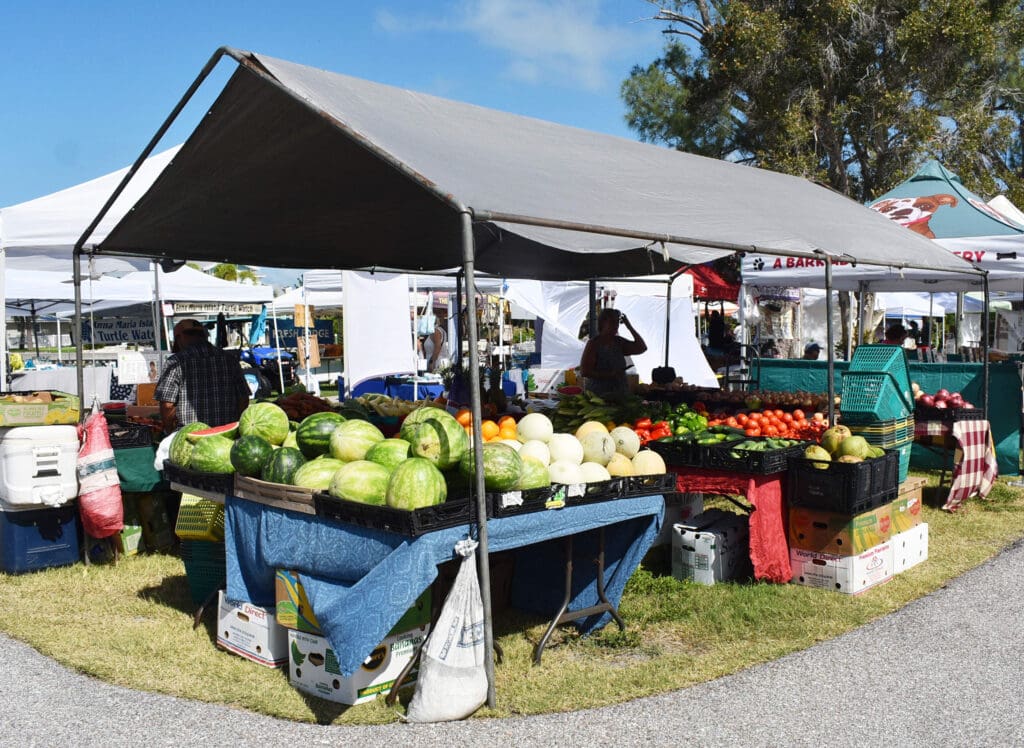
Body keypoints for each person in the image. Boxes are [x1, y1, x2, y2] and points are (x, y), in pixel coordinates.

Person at [156, 318, 250, 433]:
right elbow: (243, 398)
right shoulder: (229, 359)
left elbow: (167, 405)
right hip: (226, 435)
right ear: (204, 336)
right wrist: (237, 426)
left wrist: (169, 430)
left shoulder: (176, 362)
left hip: (191, 437)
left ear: (179, 338)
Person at [579, 308, 647, 397]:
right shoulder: (594, 344)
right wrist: (610, 375)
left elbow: (641, 348)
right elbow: (585, 371)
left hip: (620, 393)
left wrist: (629, 326)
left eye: (617, 323)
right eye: (612, 322)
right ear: (603, 323)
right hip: (599, 396)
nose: (616, 326)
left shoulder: (619, 342)